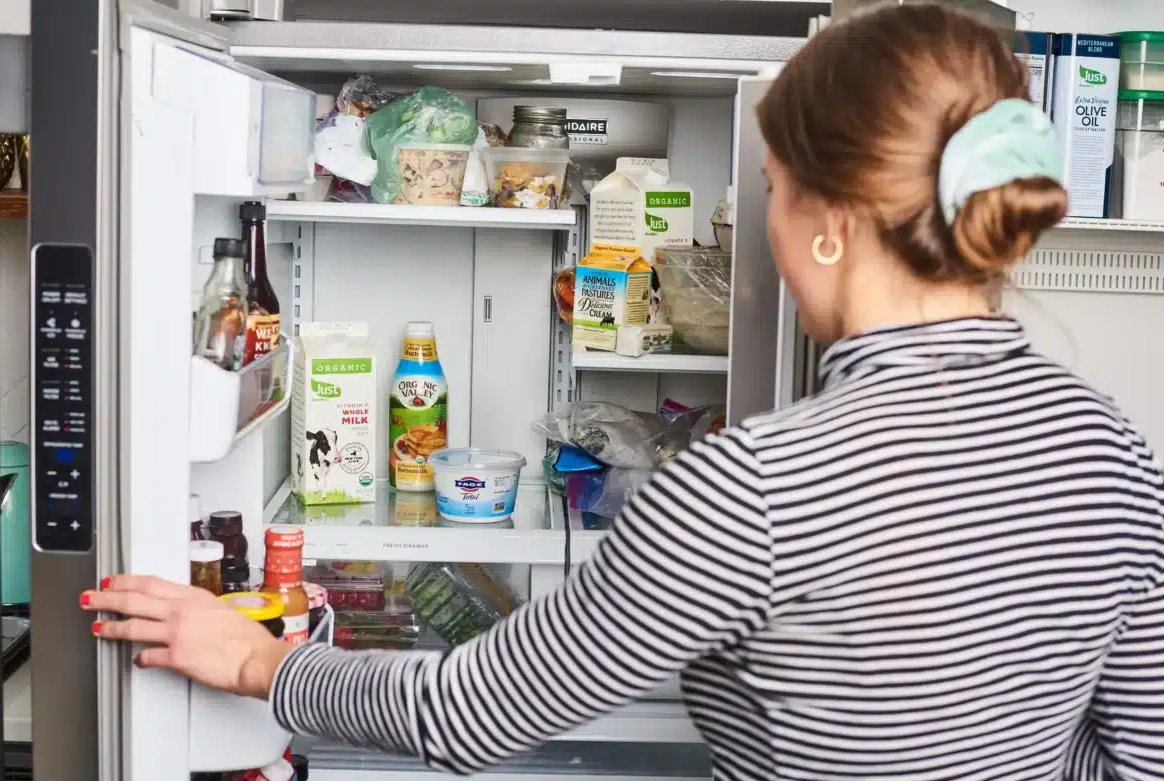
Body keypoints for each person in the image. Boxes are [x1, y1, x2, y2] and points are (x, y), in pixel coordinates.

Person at [84, 5, 1164, 779]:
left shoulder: (756, 487)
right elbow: (1140, 751)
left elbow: (474, 711)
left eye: (774, 194)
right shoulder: (1108, 448)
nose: (765, 234)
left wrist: (262, 659)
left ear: (833, 220)